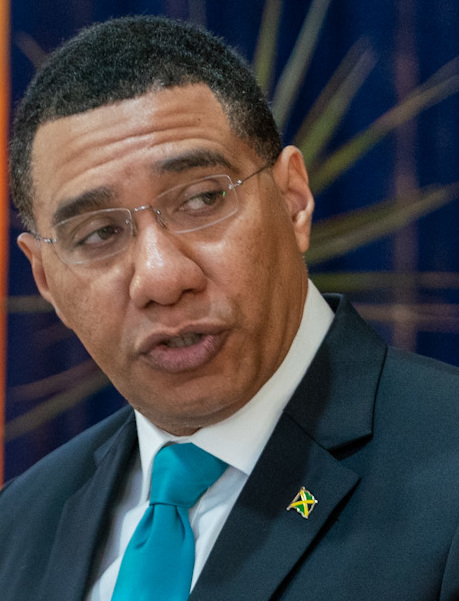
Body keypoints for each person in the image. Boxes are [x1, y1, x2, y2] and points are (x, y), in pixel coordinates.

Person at [1, 14, 459, 601]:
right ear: (45, 278)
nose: (162, 278)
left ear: (293, 201)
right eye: (97, 234)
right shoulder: (18, 527)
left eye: (201, 199)